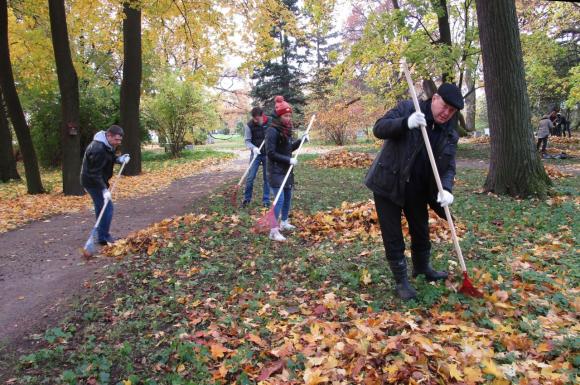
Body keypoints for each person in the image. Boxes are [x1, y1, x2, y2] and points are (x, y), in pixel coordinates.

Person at [365, 83, 463, 300]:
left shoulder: (450, 134)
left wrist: (446, 189)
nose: (446, 113)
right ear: (435, 98)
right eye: (444, 106)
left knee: (421, 229)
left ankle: (422, 268)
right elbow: (379, 128)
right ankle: (401, 281)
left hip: (418, 188)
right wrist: (405, 123)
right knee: (393, 235)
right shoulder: (409, 108)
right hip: (388, 180)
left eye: (452, 111)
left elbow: (449, 166)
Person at [265, 96, 308, 242]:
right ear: (279, 116)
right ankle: (273, 230)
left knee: (288, 196)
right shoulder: (272, 131)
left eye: (290, 115)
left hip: (286, 170)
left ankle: (284, 222)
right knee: (279, 199)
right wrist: (288, 159)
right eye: (285, 115)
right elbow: (270, 153)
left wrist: (301, 140)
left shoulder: (286, 129)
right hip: (276, 170)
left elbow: (288, 148)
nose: (288, 118)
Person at [81, 125, 130, 245]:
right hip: (92, 182)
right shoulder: (97, 148)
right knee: (107, 208)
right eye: (116, 140)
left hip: (99, 180)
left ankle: (101, 235)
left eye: (120, 140)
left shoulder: (108, 144)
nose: (118, 143)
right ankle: (104, 237)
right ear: (109, 135)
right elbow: (94, 173)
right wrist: (103, 190)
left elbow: (109, 158)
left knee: (101, 207)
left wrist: (119, 159)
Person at [242, 107, 270, 208]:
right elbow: (247, 141)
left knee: (267, 178)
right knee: (250, 177)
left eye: (257, 119)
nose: (255, 121)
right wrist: (253, 148)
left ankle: (266, 200)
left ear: (262, 116)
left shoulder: (270, 122)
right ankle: (246, 199)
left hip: (267, 154)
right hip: (256, 154)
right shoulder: (249, 125)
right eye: (254, 119)